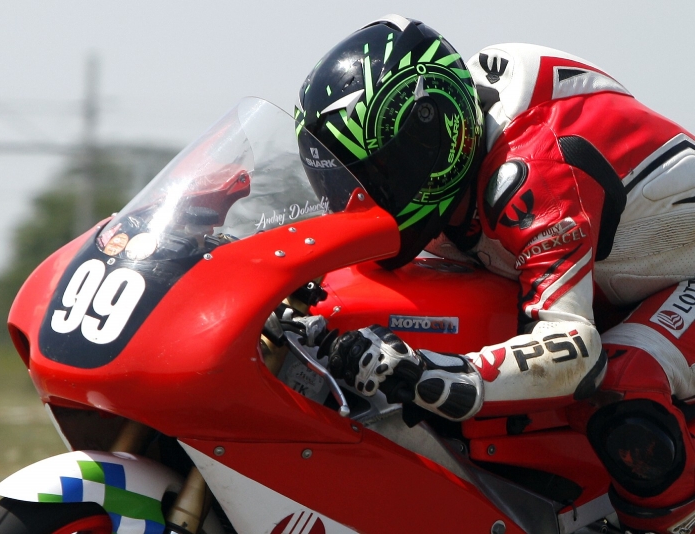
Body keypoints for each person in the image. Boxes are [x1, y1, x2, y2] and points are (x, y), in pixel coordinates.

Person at [295, 14, 695, 533]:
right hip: (620, 282)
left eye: (375, 177)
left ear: (426, 141)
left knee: (621, 381)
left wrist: (432, 374)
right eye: (337, 186)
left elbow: (575, 349)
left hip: (681, 279)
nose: (355, 201)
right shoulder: (460, 162)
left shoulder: (529, 173)